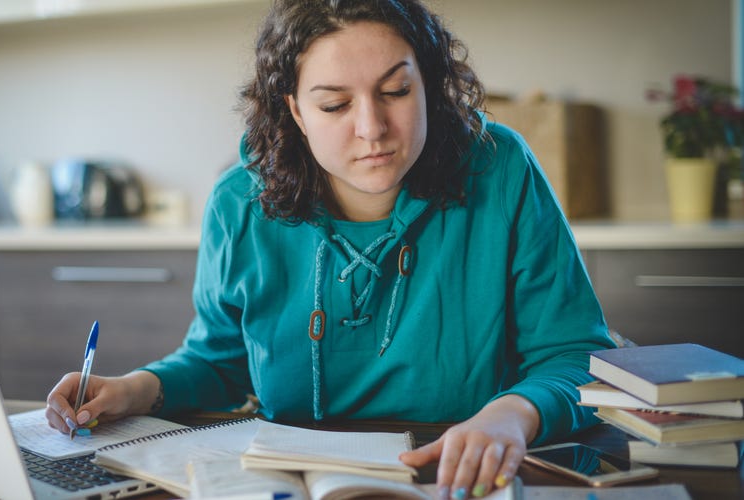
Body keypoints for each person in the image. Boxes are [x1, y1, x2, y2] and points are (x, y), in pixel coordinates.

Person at [45, 1, 616, 498]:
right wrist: (133, 390)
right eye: (334, 105)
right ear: (295, 110)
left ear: (430, 84)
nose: (372, 127)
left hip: (457, 473)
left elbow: (573, 354)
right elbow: (221, 359)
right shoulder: (239, 200)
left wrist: (510, 417)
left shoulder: (502, 169)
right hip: (283, 476)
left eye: (396, 91)